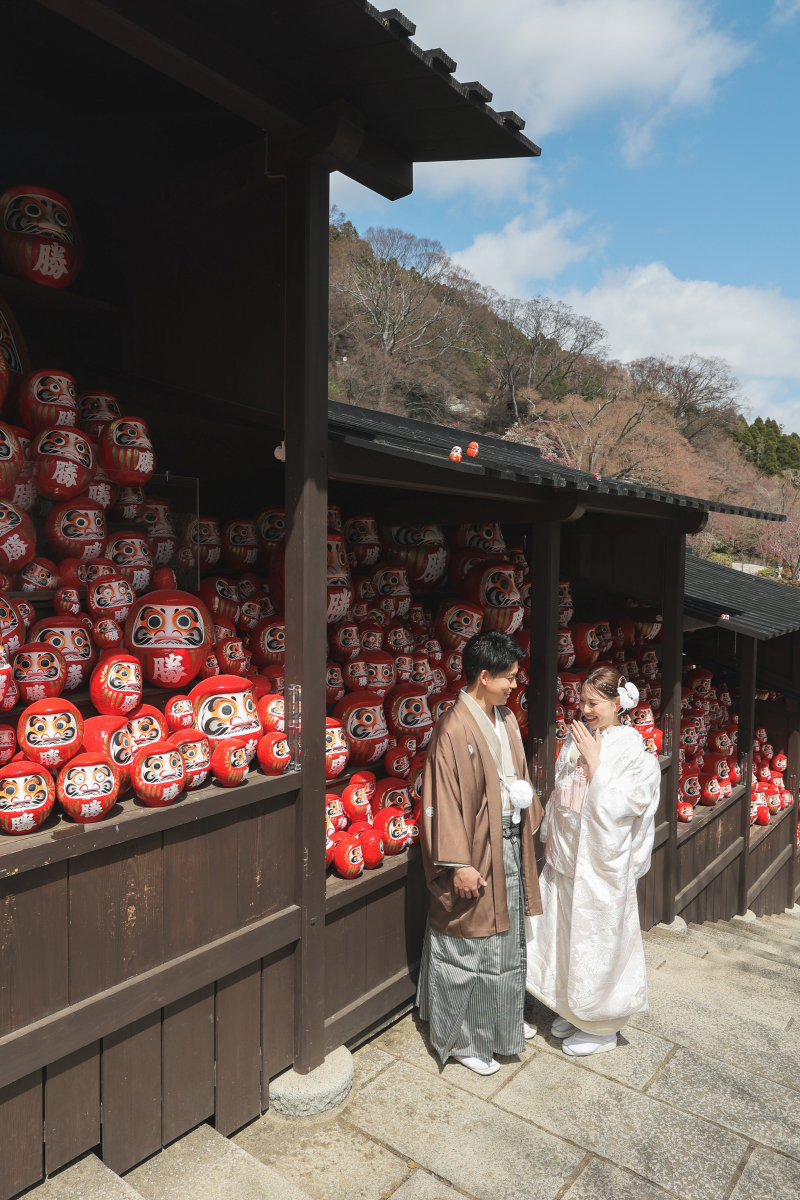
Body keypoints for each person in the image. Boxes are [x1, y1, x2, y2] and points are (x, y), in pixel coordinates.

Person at [416, 630, 544, 1076]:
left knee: (505, 939)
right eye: (509, 677)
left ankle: (502, 1021)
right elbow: (443, 800)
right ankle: (463, 1039)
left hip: (506, 839)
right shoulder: (453, 728)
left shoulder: (504, 717)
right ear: (484, 676)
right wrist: (458, 864)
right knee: (467, 943)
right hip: (472, 849)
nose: (514, 684)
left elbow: (515, 773)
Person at [525, 664, 661, 1057]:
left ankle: (603, 1026)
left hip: (601, 863)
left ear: (618, 703)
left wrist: (596, 765)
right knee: (564, 935)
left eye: (594, 702)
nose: (585, 709)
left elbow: (629, 805)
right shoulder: (580, 736)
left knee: (598, 940)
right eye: (582, 701)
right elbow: (563, 792)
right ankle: (574, 1009)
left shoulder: (634, 750)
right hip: (569, 856)